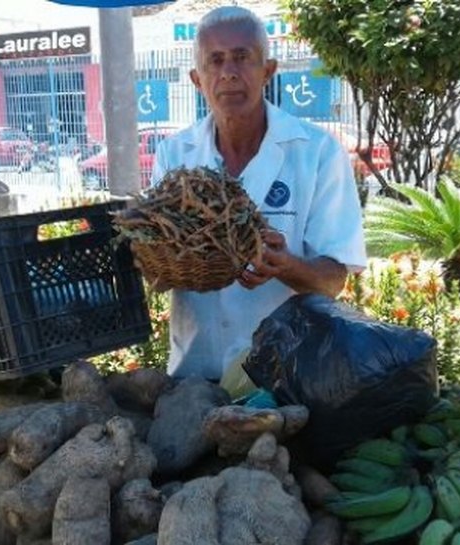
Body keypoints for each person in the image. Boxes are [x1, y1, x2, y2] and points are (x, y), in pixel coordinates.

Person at [150, 6, 367, 380]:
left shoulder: (316, 152)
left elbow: (333, 280)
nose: (228, 72)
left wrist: (287, 266)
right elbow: (158, 273)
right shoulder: (174, 154)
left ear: (268, 71)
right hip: (194, 378)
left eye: (242, 57)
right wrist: (158, 261)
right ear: (196, 79)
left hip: (287, 380)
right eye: (215, 60)